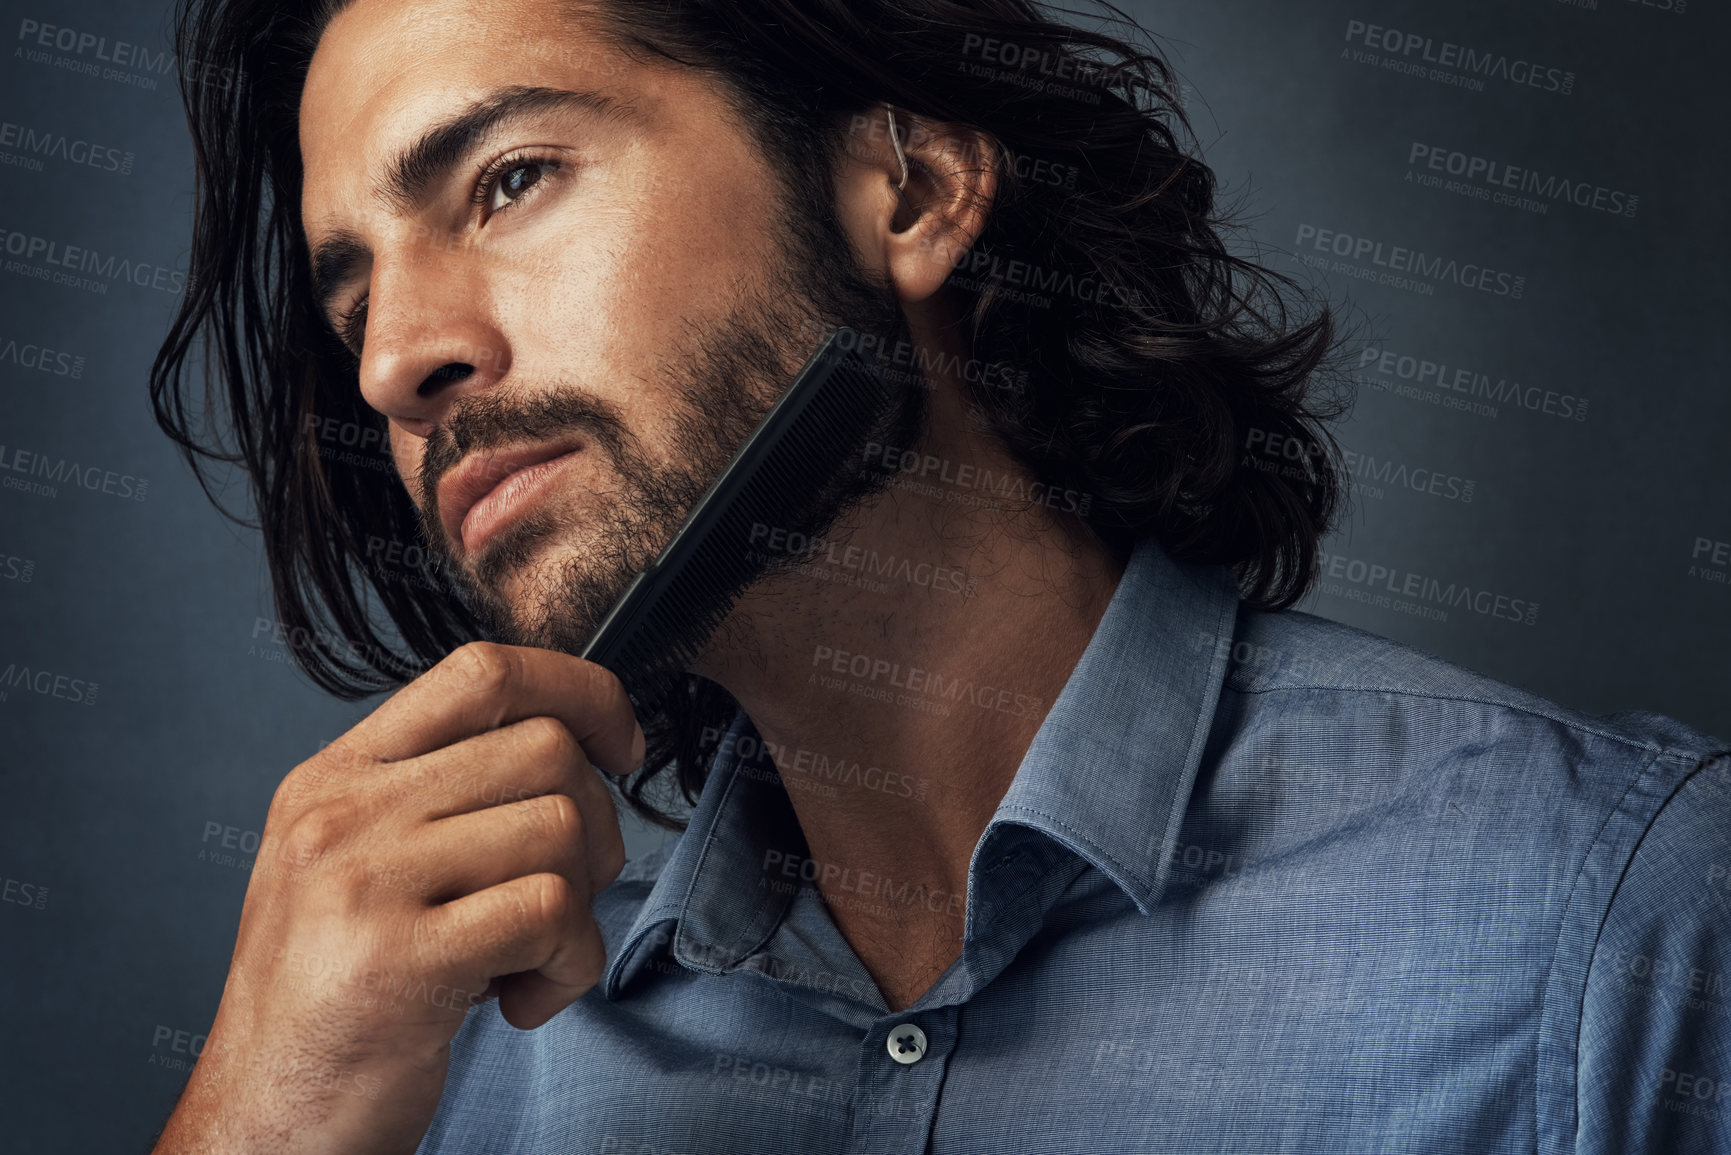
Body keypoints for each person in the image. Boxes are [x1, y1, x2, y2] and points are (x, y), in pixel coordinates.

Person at [147, 1, 1730, 1152]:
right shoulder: (466, 1064)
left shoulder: (1605, 928)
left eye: (505, 182)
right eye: (352, 302)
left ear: (905, 192)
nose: (398, 362)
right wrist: (255, 1119)